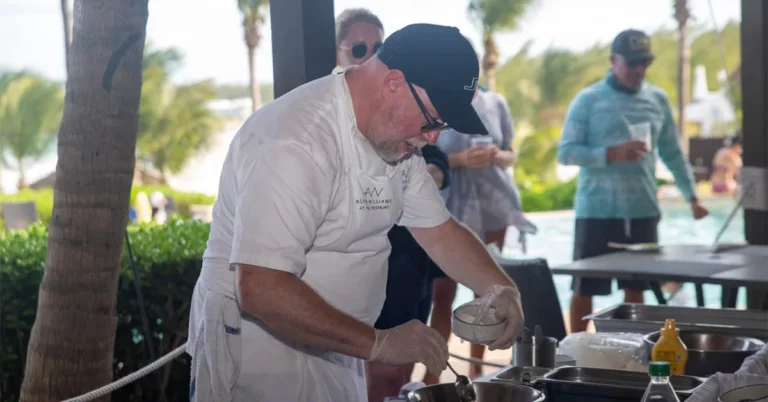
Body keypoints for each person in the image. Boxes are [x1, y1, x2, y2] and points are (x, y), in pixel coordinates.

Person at [187, 23, 525, 402]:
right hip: (262, 350)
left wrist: (502, 289)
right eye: (433, 120)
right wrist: (380, 343)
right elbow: (261, 287)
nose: (433, 138)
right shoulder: (295, 141)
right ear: (394, 84)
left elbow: (440, 232)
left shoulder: (397, 142)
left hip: (339, 342)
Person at [332, 9, 454, 399]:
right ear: (337, 52)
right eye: (359, 49)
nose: (370, 57)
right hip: (365, 266)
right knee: (376, 372)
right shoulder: (326, 120)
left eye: (378, 48)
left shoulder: (403, 120)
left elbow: (436, 164)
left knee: (403, 365)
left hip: (408, 255)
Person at [558, 29, 709, 334]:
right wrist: (610, 153)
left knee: (636, 289)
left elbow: (672, 152)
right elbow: (566, 153)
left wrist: (692, 196)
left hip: (642, 209)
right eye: (632, 63)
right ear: (613, 60)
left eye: (644, 63)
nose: (639, 69)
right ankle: (576, 351)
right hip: (596, 211)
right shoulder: (588, 100)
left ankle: (631, 353)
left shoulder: (657, 99)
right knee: (584, 288)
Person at [428, 60, 536, 382]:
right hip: (451, 206)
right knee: (442, 295)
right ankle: (433, 375)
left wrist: (495, 156)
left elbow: (510, 153)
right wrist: (461, 160)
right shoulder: (435, 103)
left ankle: (477, 370)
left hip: (492, 204)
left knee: (487, 295)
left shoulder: (496, 102)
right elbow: (423, 160)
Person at [710, 131, 743, 196]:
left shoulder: (720, 151)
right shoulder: (733, 155)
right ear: (737, 146)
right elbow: (740, 171)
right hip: (727, 185)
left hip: (714, 184)